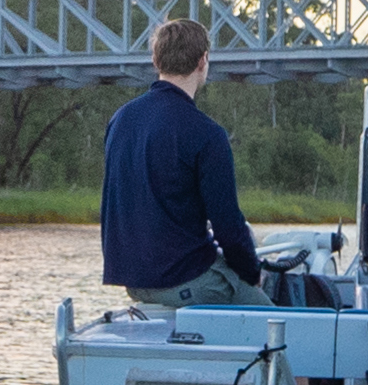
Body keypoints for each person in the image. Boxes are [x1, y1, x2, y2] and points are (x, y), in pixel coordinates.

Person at [100, 17, 266, 308]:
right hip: (185, 281)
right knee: (280, 328)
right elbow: (228, 226)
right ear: (203, 61)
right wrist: (253, 273)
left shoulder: (120, 119)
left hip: (136, 282)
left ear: (155, 59)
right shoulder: (207, 134)